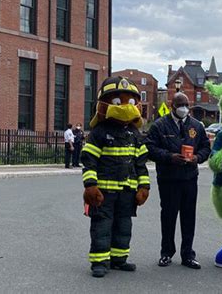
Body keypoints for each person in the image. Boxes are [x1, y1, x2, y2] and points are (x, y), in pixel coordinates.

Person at [81, 76, 150, 278]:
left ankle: (119, 259)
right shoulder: (99, 132)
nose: (125, 107)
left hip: (127, 192)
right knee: (102, 226)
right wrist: (90, 186)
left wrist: (143, 187)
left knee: (124, 226)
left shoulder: (135, 134)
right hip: (104, 193)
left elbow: (141, 164)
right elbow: (89, 161)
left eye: (130, 102)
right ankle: (100, 262)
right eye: (118, 102)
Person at [146, 92, 211, 269]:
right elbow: (150, 148)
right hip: (168, 179)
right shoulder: (160, 125)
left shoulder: (196, 125)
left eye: (186, 105)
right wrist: (169, 157)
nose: (184, 108)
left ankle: (188, 254)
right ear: (172, 106)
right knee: (168, 216)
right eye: (180, 105)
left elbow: (206, 147)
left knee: (188, 216)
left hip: (189, 178)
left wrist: (198, 157)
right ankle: (166, 252)